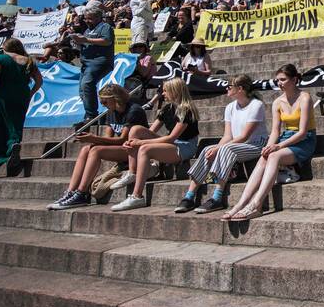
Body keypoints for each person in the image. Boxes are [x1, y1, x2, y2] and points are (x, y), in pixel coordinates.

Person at [223, 64, 316, 220]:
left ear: (294, 80)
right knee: (265, 156)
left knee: (274, 156)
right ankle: (240, 204)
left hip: (304, 141)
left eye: (283, 79)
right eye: (277, 80)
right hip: (285, 138)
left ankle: (256, 204)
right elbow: (274, 131)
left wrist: (278, 146)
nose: (279, 83)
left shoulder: (304, 97)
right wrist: (268, 147)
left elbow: (302, 132)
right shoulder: (277, 102)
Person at [175, 74, 268, 214]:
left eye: (230, 86)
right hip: (236, 144)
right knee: (208, 149)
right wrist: (215, 148)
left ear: (240, 89)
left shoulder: (256, 105)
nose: (227, 89)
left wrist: (219, 148)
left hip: (255, 145)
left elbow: (244, 137)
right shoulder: (230, 107)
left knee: (225, 149)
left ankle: (217, 197)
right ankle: (189, 196)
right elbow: (227, 136)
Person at [46, 84, 148, 209]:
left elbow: (122, 140)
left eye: (105, 101)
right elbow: (108, 139)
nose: (102, 104)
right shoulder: (111, 112)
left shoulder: (134, 110)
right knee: (85, 150)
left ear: (115, 98)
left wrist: (93, 138)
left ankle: (82, 193)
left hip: (135, 151)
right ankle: (71, 192)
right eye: (101, 101)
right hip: (123, 149)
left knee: (96, 151)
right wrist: (89, 139)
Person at [112, 78, 200, 211]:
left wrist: (140, 143)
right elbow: (150, 131)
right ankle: (132, 172)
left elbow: (171, 138)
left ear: (175, 91)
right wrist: (130, 143)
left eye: (165, 91)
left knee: (145, 149)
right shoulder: (167, 108)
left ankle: (137, 197)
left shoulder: (186, 109)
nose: (162, 94)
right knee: (136, 129)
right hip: (173, 143)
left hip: (185, 145)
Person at [0, 38, 44, 179]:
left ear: (5, 47)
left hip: (1, 95)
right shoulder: (29, 60)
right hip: (21, 95)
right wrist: (30, 93)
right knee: (14, 124)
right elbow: (39, 81)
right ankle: (13, 143)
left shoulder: (0, 58)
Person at [71, 8, 114, 129]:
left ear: (98, 17)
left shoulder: (105, 27)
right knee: (82, 90)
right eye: (85, 18)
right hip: (86, 64)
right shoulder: (87, 30)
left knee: (87, 84)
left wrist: (85, 39)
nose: (86, 21)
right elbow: (85, 43)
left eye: (89, 18)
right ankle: (88, 116)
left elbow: (106, 41)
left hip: (99, 62)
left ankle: (91, 116)